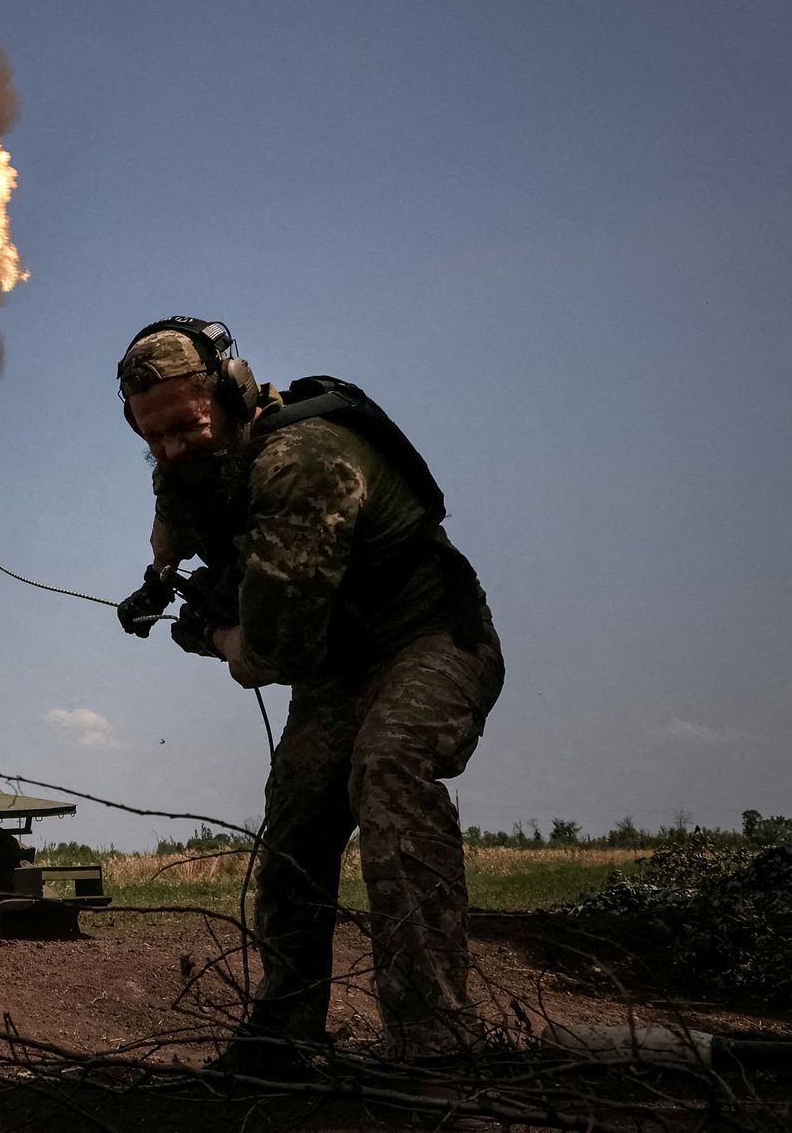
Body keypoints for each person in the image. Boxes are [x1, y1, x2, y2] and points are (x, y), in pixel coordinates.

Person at [114, 317, 504, 1073]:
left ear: (230, 393)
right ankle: (284, 1037)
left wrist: (213, 634)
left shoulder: (300, 460)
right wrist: (158, 583)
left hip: (432, 641)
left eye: (185, 427)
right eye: (151, 437)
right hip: (340, 667)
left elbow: (271, 656)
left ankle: (436, 1044)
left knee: (388, 770)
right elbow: (174, 515)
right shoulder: (192, 462)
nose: (170, 449)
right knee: (296, 821)